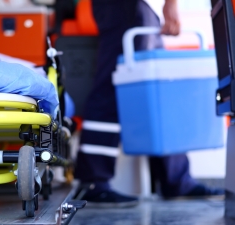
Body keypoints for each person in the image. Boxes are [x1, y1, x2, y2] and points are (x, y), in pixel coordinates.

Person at [73, 0, 224, 207]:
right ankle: (93, 181)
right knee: (114, 84)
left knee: (152, 86)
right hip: (127, 6)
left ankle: (176, 180)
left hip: (140, 7)